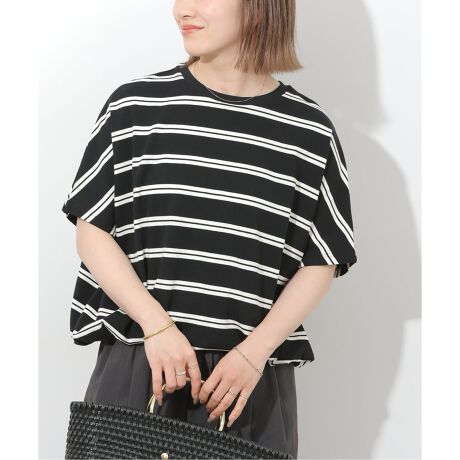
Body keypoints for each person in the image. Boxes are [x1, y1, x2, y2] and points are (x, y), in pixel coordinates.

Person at [61, 1, 358, 458]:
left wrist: (253, 354)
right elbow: (92, 230)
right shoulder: (135, 107)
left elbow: (322, 260)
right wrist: (157, 327)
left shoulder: (309, 132)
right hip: (141, 361)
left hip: (244, 382)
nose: (183, 9)